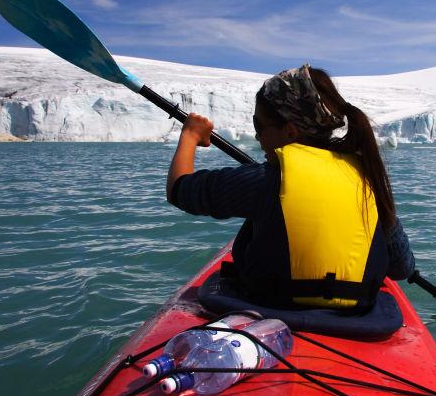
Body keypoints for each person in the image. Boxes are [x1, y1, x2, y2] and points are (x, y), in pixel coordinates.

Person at [166, 64, 414, 311]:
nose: (257, 137)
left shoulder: (264, 181)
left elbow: (179, 191)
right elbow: (402, 267)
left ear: (290, 130)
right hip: (357, 317)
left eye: (259, 126)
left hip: (271, 307)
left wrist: (190, 136)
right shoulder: (367, 180)